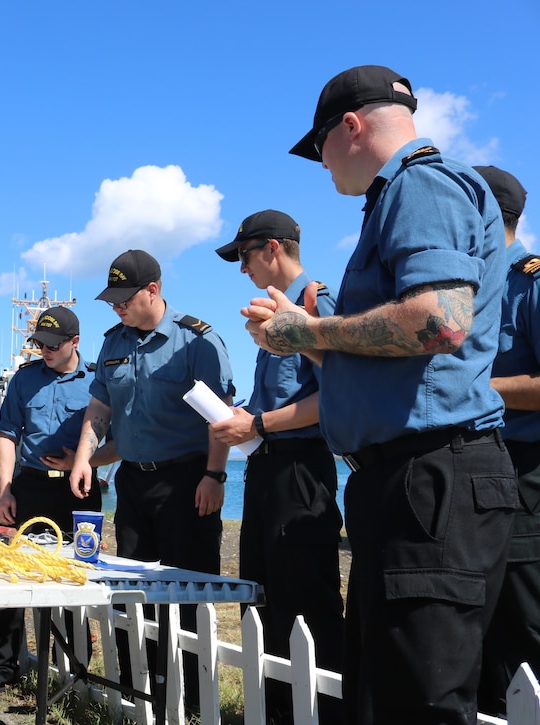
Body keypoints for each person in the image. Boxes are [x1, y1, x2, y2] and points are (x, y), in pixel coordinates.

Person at [248, 65, 517, 725]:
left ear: (351, 126)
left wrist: (311, 327)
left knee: (420, 703)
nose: (322, 166)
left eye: (319, 149)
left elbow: (441, 318)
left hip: (430, 477)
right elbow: (387, 357)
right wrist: (300, 340)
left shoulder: (420, 185)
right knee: (381, 695)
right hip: (403, 480)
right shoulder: (399, 197)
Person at [70, 248, 233, 711]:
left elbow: (218, 417)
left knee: (185, 594)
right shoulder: (113, 342)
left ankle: (194, 705)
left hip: (185, 480)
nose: (116, 307)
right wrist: (87, 459)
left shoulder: (195, 340)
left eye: (124, 298)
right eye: (112, 300)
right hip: (133, 484)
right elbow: (100, 407)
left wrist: (215, 475)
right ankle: (138, 695)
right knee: (130, 591)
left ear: (153, 290)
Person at [211, 211, 344, 724]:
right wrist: (245, 418)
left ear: (271, 248)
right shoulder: (273, 313)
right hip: (267, 470)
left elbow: (338, 395)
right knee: (261, 601)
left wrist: (259, 423)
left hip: (300, 470)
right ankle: (273, 713)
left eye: (243, 257)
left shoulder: (315, 304)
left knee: (306, 604)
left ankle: (320, 714)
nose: (242, 269)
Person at [0, 306, 104, 701]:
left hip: (77, 489)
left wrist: (82, 461)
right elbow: (7, 435)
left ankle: (74, 671)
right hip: (28, 487)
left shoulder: (98, 383)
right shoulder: (25, 379)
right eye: (38, 344)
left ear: (75, 343)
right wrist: (5, 489)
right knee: (9, 575)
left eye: (52, 344)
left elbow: (114, 437)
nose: (43, 350)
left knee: (75, 575)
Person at [475, 165, 536, 715]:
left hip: (524, 472)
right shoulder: (462, 289)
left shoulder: (531, 281)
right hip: (466, 471)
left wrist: (473, 385)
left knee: (521, 626)